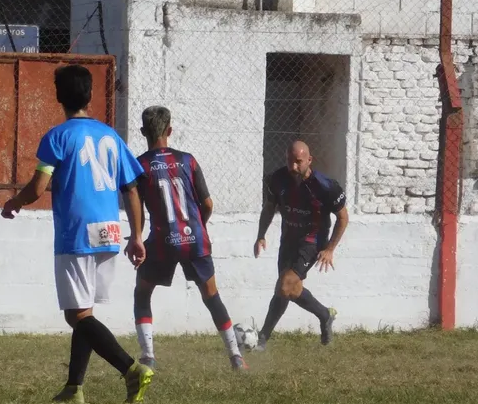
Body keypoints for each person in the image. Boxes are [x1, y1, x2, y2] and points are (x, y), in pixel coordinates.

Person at [1, 64, 153, 404]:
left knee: (77, 314)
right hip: (110, 231)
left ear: (59, 97)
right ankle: (74, 387)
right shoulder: (110, 135)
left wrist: (15, 202)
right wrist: (137, 235)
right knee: (84, 311)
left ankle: (132, 369)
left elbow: (39, 187)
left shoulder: (57, 136)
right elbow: (131, 188)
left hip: (77, 233)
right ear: (89, 96)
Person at [132, 106, 245, 371]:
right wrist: (198, 227)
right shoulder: (188, 160)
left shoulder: (139, 166)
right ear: (170, 130)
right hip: (195, 238)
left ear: (142, 132)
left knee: (142, 293)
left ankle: (148, 356)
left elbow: (137, 208)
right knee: (211, 296)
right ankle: (235, 356)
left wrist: (137, 236)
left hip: (162, 242)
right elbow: (207, 203)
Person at [253, 140, 348, 350]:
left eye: (298, 162)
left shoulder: (326, 186)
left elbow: (343, 217)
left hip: (312, 242)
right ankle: (325, 314)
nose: (294, 167)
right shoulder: (277, 179)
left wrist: (330, 249)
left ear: (309, 160)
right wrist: (261, 235)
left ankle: (261, 339)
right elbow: (269, 208)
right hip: (288, 239)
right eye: (290, 161)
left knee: (284, 285)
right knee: (288, 289)